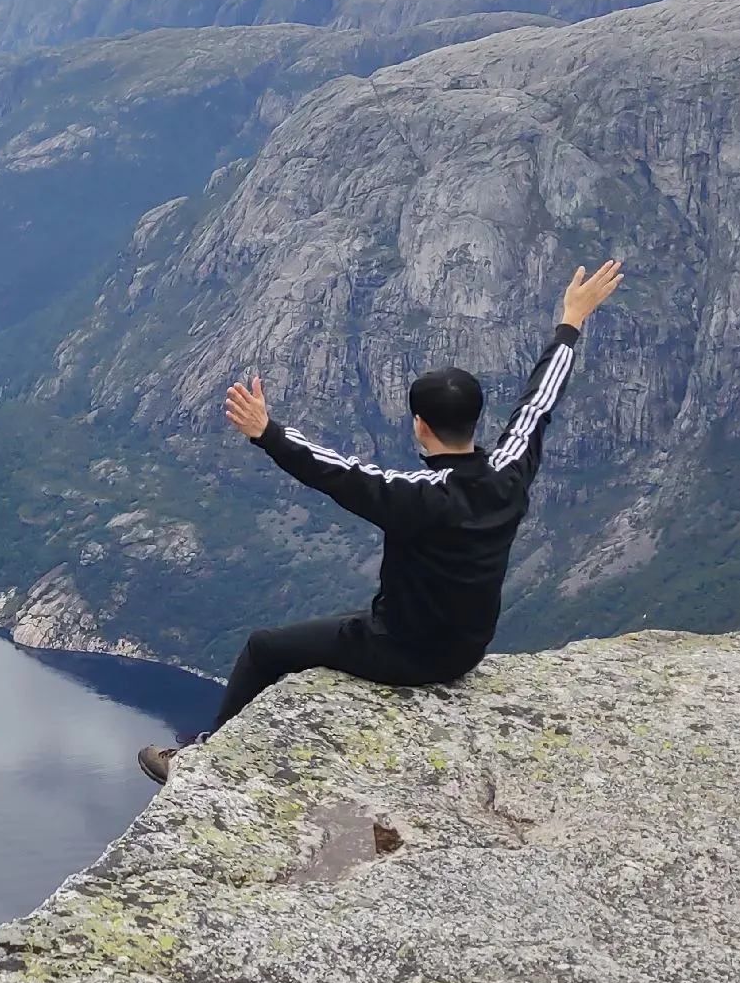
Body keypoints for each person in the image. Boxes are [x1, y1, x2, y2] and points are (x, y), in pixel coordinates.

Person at [138, 260, 624, 785]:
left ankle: (205, 764)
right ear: (476, 420)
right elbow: (539, 403)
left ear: (419, 425)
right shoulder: (509, 473)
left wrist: (267, 432)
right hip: (467, 648)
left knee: (265, 646)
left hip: (405, 653)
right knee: (343, 621)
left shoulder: (415, 496)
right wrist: (570, 324)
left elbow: (334, 471)